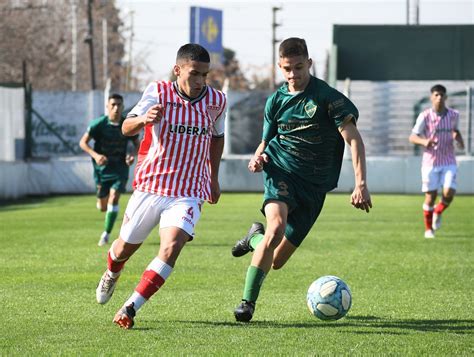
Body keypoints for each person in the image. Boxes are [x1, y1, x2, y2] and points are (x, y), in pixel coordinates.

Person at [231, 37, 372, 322]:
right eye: (287, 69)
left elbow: (354, 140)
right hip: (281, 171)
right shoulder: (276, 101)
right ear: (280, 68)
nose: (293, 74)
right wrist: (257, 158)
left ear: (309, 63)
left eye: (298, 67)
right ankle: (247, 304)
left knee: (278, 258)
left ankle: (253, 238)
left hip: (315, 186)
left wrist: (361, 184)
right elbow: (265, 142)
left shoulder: (328, 98)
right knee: (277, 228)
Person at [95, 43, 226, 329]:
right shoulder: (158, 92)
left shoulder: (217, 101)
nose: (200, 81)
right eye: (194, 74)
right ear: (178, 70)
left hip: (189, 191)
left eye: (205, 75)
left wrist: (213, 177)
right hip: (152, 186)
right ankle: (112, 272)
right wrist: (143, 119)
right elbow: (126, 127)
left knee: (172, 246)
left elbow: (217, 138)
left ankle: (130, 307)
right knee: (121, 251)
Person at [79, 94, 140, 246]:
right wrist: (96, 155)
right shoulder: (99, 124)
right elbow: (83, 143)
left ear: (123, 107)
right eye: (113, 105)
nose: (116, 108)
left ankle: (106, 234)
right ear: (107, 107)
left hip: (120, 167)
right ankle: (104, 207)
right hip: (102, 169)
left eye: (119, 105)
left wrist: (131, 156)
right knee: (103, 206)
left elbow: (138, 145)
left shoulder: (127, 124)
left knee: (114, 198)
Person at [409, 84, 464, 239]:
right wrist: (424, 142)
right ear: (431, 97)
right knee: (431, 197)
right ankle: (428, 230)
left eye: (442, 95)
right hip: (430, 162)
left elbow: (455, 130)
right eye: (436, 95)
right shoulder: (424, 116)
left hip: (448, 160)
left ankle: (438, 211)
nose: (439, 98)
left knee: (449, 193)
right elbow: (412, 137)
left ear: (446, 97)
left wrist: (458, 139)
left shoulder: (454, 115)